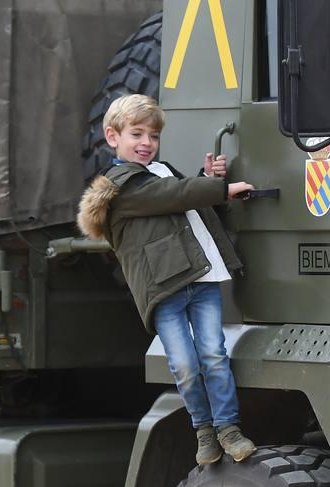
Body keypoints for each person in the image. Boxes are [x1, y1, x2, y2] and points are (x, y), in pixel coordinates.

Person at [77, 93, 257, 467]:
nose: (146, 144)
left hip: (200, 279)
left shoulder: (160, 172)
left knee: (213, 355)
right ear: (113, 138)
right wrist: (221, 189)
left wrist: (207, 180)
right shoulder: (122, 184)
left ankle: (228, 428)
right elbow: (171, 196)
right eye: (137, 135)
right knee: (185, 365)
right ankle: (204, 430)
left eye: (153, 137)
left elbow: (182, 208)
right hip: (165, 290)